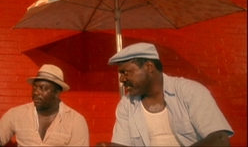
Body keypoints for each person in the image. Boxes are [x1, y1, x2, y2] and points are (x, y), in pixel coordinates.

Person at [96, 42, 234, 147]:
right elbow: (123, 143)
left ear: (149, 67)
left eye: (126, 72)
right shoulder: (127, 104)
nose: (122, 79)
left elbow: (220, 139)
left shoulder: (190, 91)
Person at [0, 64, 89, 146]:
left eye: (42, 88)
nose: (36, 92)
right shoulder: (15, 114)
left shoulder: (75, 121)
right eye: (34, 88)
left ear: (57, 93)